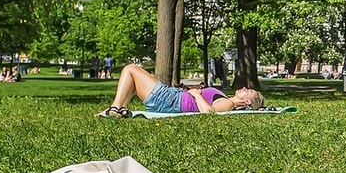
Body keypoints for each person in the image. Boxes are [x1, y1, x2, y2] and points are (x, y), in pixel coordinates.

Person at [99, 63, 263, 117]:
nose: (244, 88)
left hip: (171, 100)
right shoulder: (225, 98)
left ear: (247, 102)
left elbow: (209, 112)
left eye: (248, 91)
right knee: (140, 76)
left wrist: (196, 94)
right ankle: (120, 108)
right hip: (172, 98)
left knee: (130, 69)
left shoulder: (228, 104)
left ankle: (116, 108)